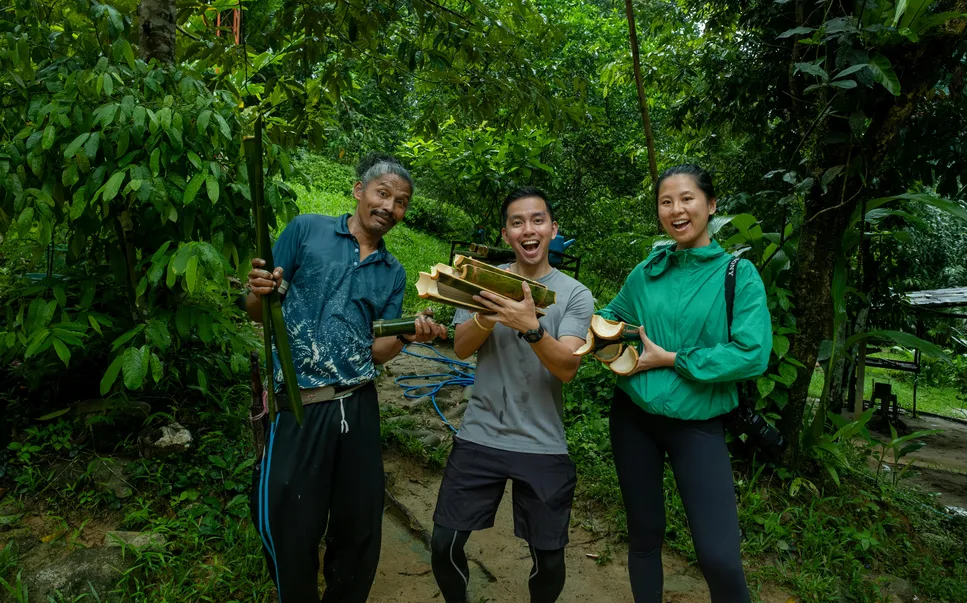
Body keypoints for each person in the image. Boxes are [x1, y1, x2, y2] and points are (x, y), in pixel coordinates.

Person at [245, 153, 447, 603]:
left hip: (357, 401)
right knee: (289, 517)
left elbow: (377, 352)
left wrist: (410, 337)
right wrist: (257, 291)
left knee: (360, 521)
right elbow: (258, 309)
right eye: (383, 194)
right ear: (359, 191)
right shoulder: (307, 230)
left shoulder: (393, 272)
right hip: (299, 401)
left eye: (401, 202)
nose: (390, 207)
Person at [597, 164, 772, 603]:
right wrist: (604, 346)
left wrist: (672, 359)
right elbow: (612, 318)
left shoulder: (738, 275)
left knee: (719, 557)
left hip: (698, 423)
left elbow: (752, 353)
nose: (676, 209)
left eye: (687, 199)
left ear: (711, 205)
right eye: (666, 201)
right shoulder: (647, 271)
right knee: (644, 535)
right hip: (633, 417)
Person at [430, 187, 595, 603]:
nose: (528, 229)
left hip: (542, 441)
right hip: (481, 432)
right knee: (444, 544)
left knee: (549, 559)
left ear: (553, 229)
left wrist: (530, 326)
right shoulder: (483, 281)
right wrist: (487, 315)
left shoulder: (575, 294)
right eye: (517, 222)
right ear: (506, 234)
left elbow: (567, 366)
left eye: (537, 220)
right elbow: (463, 348)